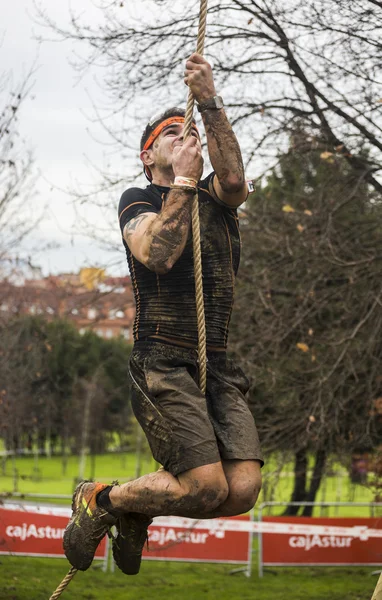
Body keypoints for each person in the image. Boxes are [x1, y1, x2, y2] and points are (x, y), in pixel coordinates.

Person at [63, 53, 263, 576]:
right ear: (147, 155)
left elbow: (236, 180)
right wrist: (182, 183)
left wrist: (210, 104)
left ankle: (130, 509)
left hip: (215, 361)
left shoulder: (217, 198)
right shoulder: (140, 197)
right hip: (162, 361)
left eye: (187, 131)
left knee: (240, 490)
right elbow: (157, 253)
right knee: (205, 486)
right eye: (170, 134)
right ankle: (100, 501)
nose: (184, 137)